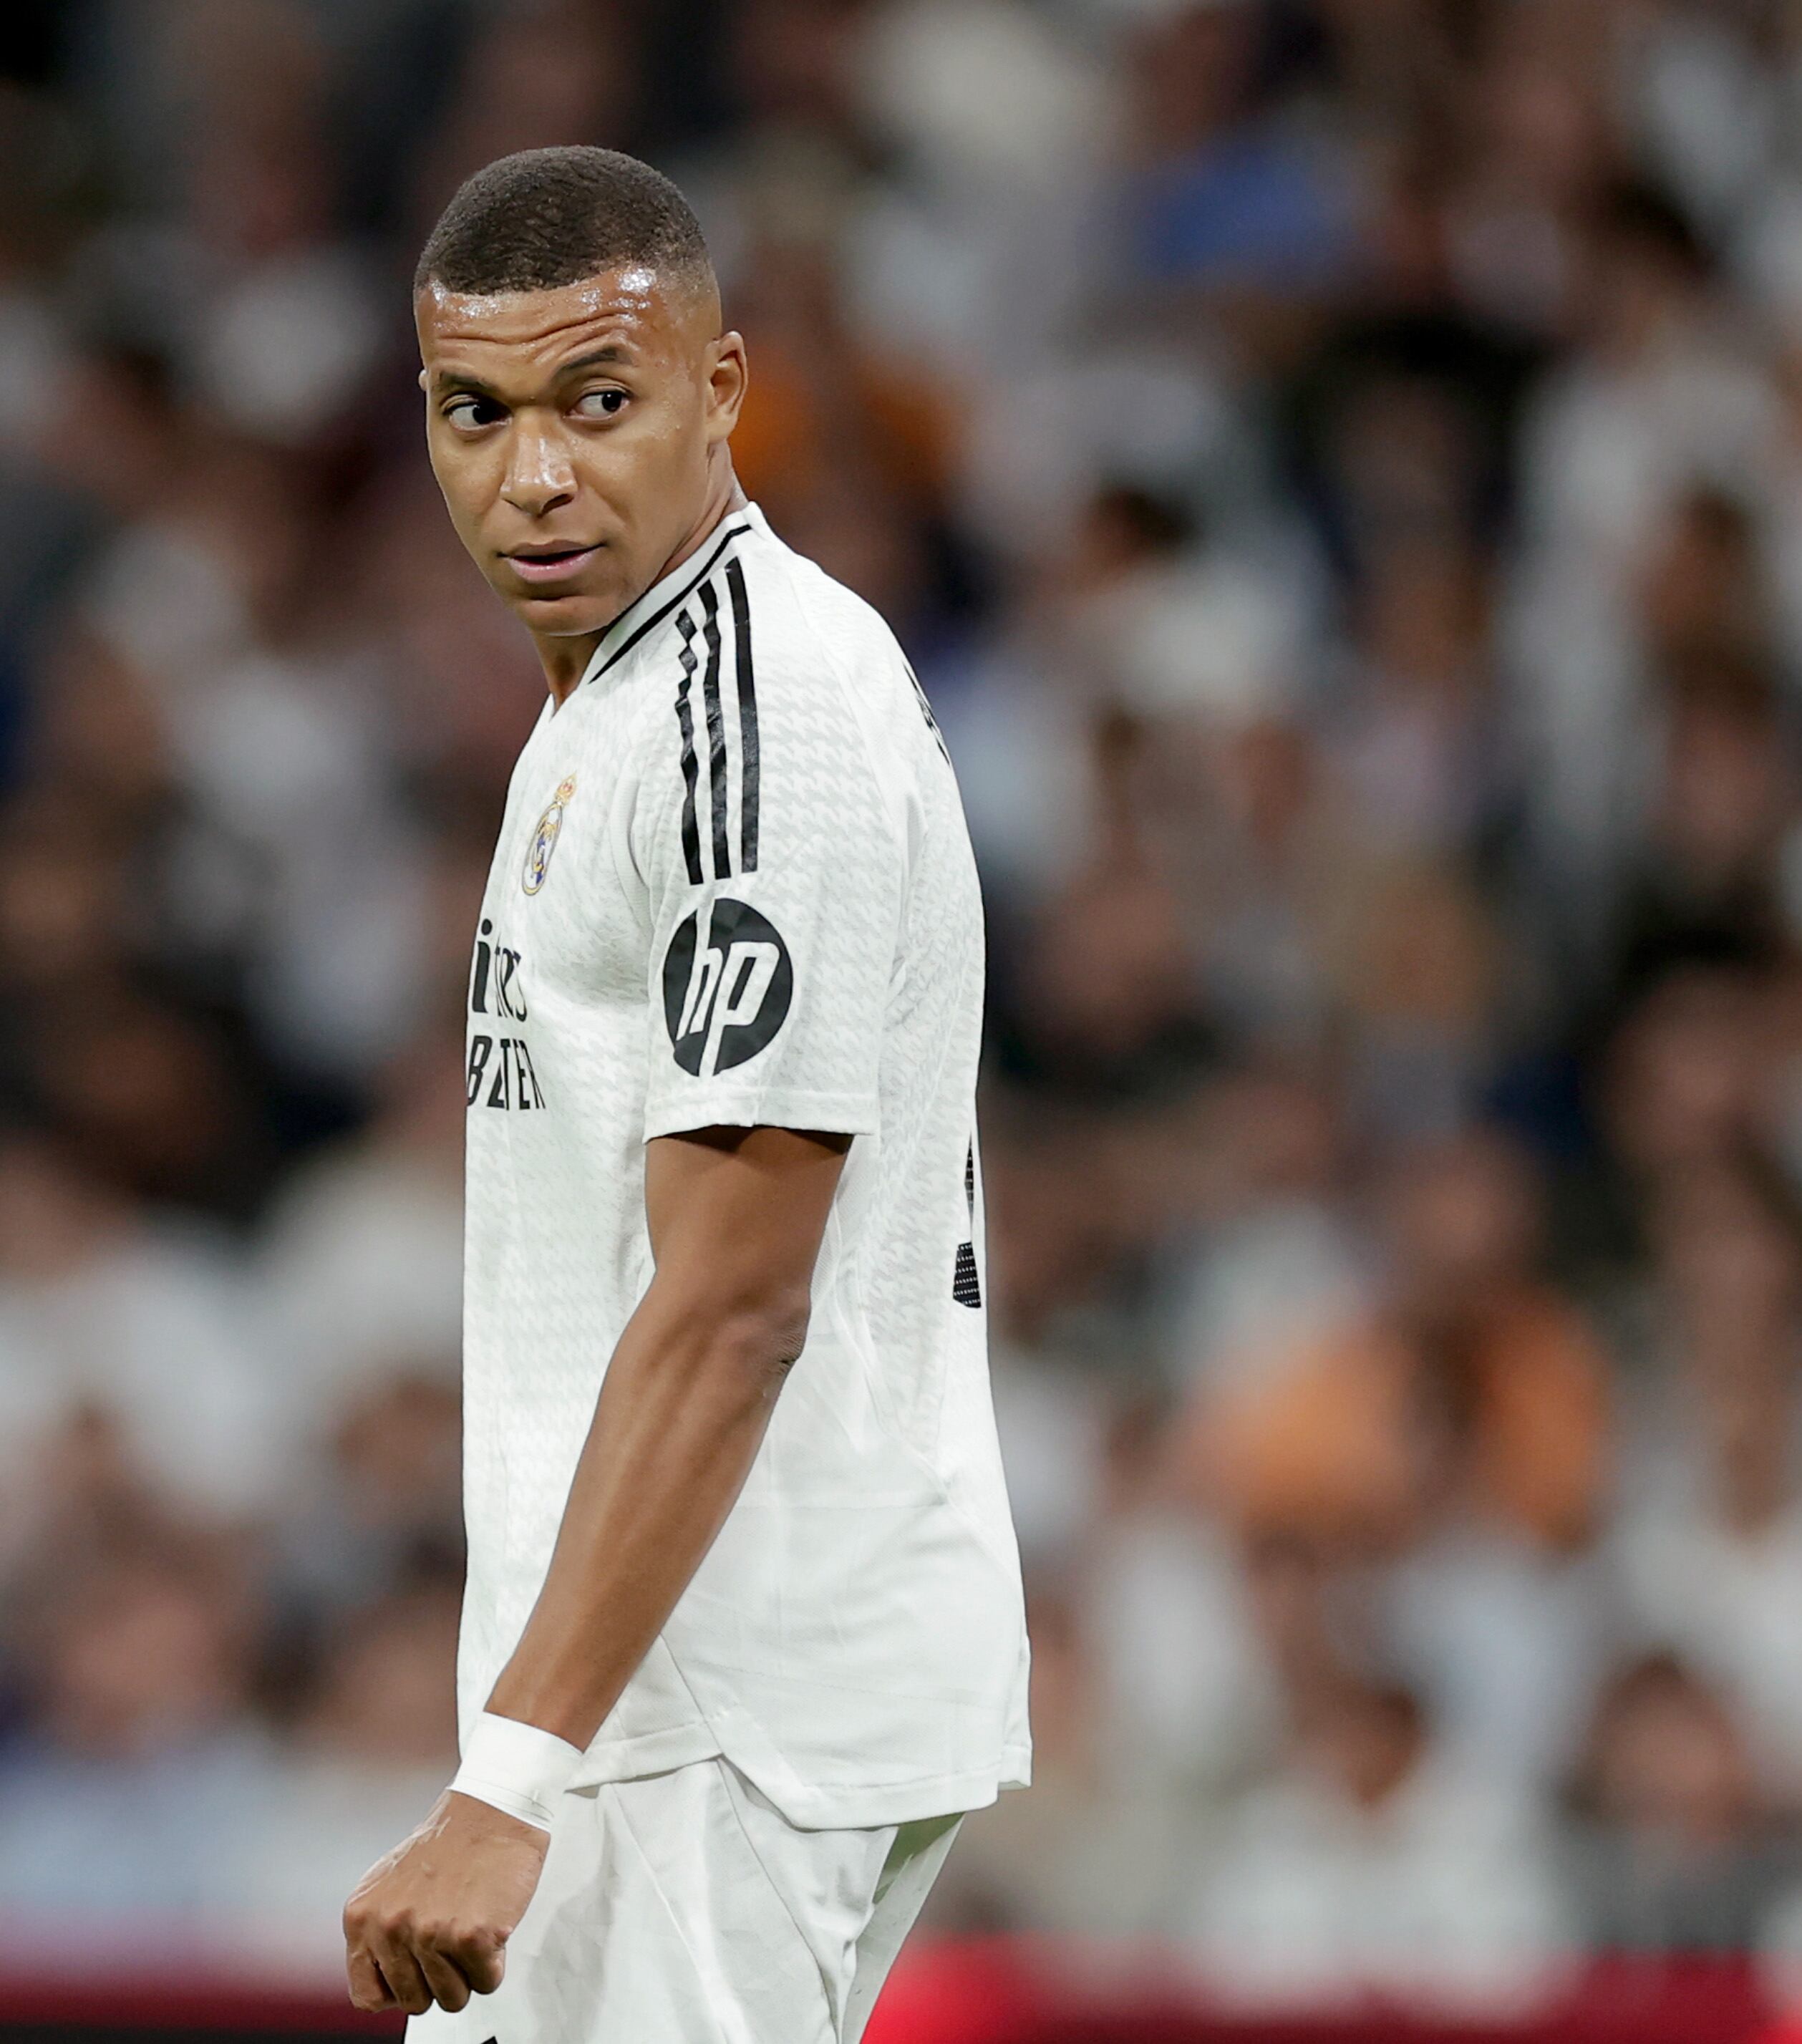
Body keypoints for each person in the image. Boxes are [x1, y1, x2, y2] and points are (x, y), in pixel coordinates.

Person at [336, 147, 1027, 2038]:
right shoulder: (615, 703)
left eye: (600, 402)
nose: (533, 473)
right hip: (672, 1694)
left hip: (719, 1699)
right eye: (477, 414)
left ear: (720, 394)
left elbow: (732, 1301)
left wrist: (516, 1779)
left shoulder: (756, 709)